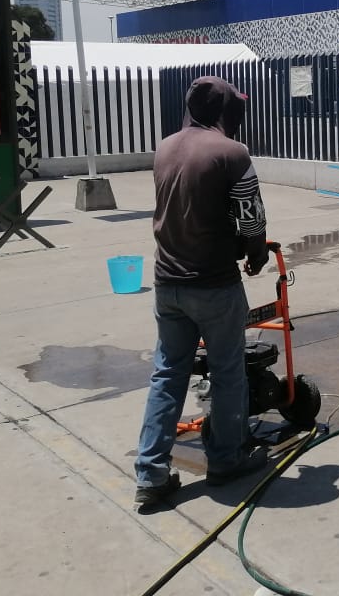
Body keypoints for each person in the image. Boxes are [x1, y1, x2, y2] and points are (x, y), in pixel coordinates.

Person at [134, 76, 271, 508]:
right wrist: (257, 254)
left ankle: (151, 473)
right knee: (228, 372)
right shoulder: (231, 151)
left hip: (167, 284)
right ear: (224, 110)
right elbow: (250, 217)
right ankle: (226, 459)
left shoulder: (164, 146)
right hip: (213, 284)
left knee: (168, 373)